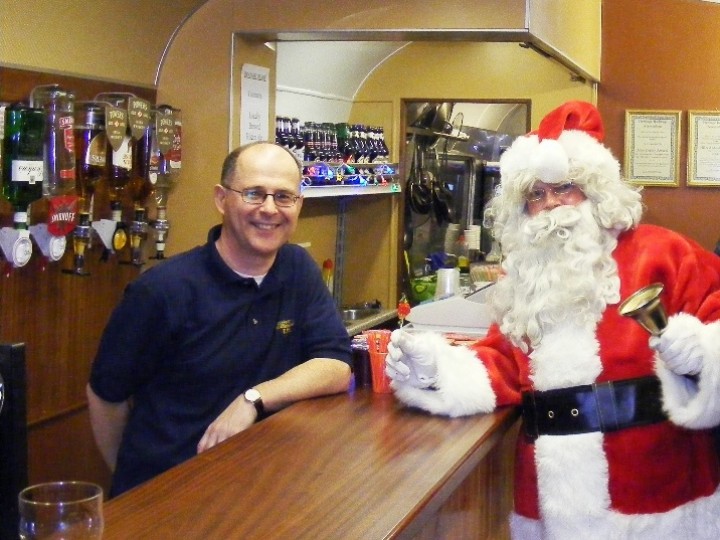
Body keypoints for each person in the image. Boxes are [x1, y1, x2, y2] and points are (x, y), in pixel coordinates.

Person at [386, 101, 720, 539]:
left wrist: (703, 350)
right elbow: (505, 360)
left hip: (657, 491)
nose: (550, 206)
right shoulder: (526, 274)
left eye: (564, 188)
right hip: (551, 498)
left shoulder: (665, 252)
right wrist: (438, 370)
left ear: (595, 190)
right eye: (536, 195)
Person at [87, 141, 352, 497]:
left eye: (284, 196)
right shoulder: (163, 290)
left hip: (257, 487)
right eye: (254, 194)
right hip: (171, 493)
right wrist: (135, 486)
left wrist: (253, 399)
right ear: (221, 199)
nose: (269, 209)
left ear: (298, 205)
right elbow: (106, 396)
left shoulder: (297, 269)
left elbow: (335, 365)